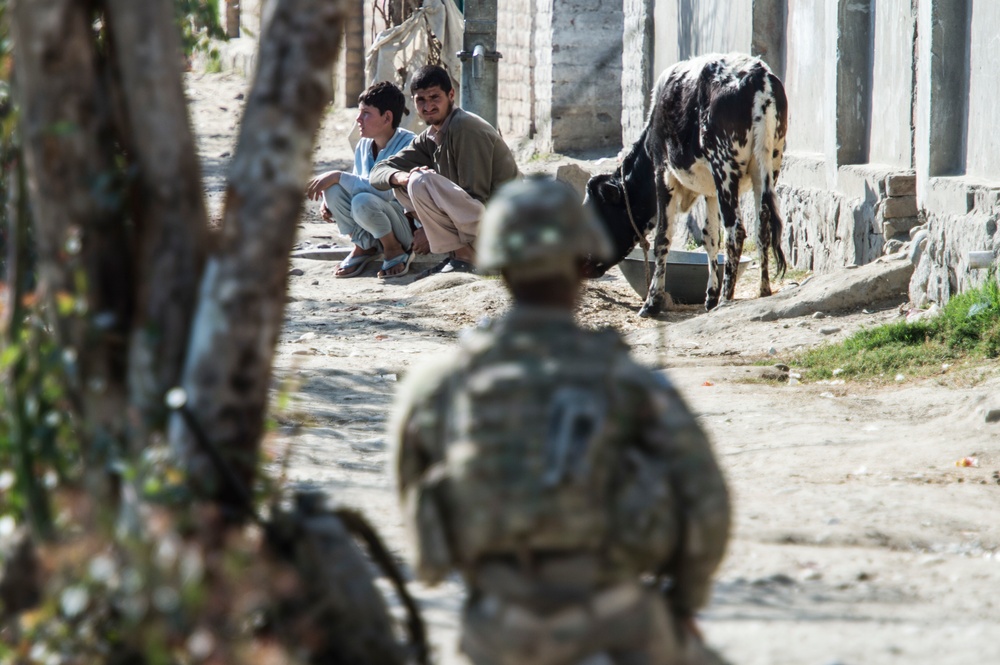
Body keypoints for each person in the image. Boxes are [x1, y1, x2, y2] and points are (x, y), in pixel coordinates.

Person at [391, 177, 732, 665]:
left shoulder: (438, 385)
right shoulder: (631, 385)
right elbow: (707, 504)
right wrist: (683, 602)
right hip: (619, 620)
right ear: (583, 266)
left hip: (497, 630)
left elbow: (423, 539)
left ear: (500, 267)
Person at [369, 65, 519, 278]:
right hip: (475, 221)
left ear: (451, 95)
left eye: (434, 97)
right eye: (421, 99)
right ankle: (462, 255)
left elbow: (477, 196)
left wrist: (431, 232)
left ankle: (469, 257)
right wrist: (400, 177)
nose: (428, 106)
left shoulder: (466, 128)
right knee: (403, 185)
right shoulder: (430, 136)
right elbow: (378, 172)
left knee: (420, 182)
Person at [306, 81, 417, 279]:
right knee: (332, 189)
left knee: (361, 199)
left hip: (404, 227)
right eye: (359, 112)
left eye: (366, 113)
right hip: (372, 218)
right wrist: (329, 198)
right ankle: (364, 245)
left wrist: (337, 176)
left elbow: (386, 191)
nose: (358, 119)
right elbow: (357, 182)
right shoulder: (364, 145)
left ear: (387, 117)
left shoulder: (409, 145)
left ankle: (394, 249)